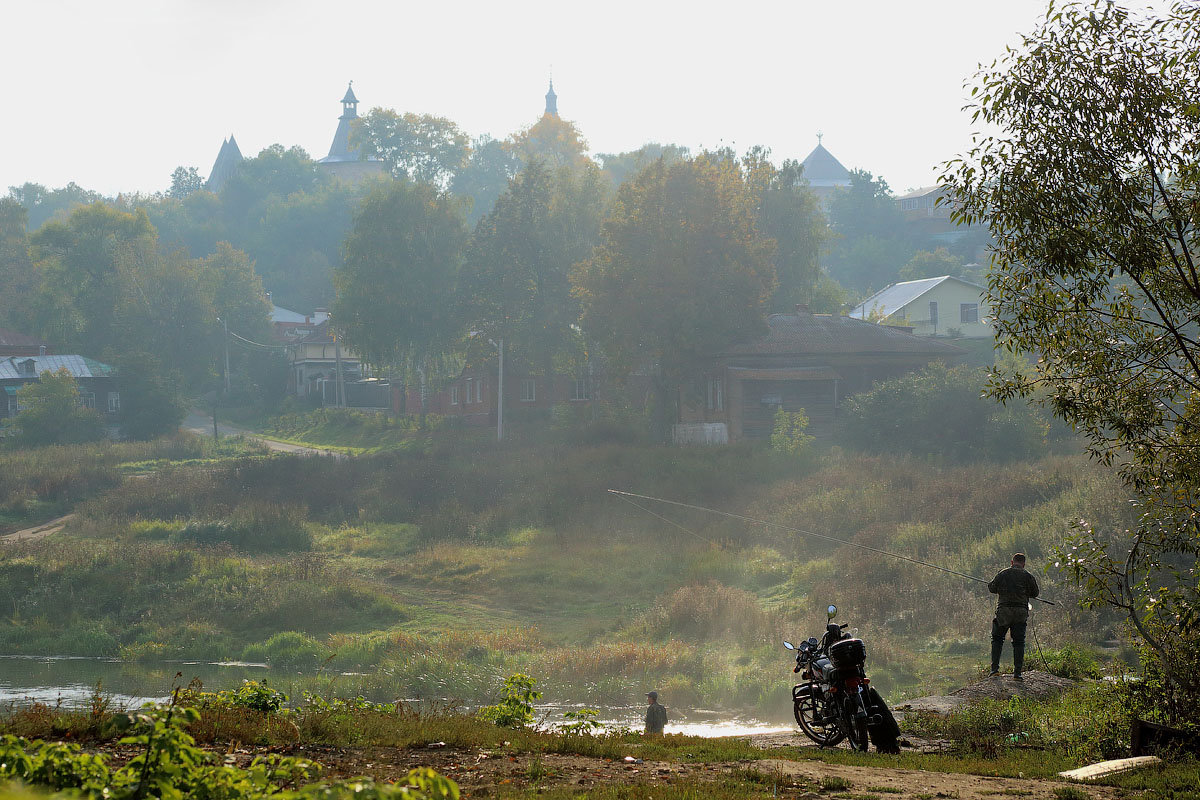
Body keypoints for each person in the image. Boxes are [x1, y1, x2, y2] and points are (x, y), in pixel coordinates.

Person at [988, 552, 1040, 681]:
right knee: (1018, 642)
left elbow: (992, 588)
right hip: (1020, 613)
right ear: (1023, 564)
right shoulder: (1028, 576)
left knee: (997, 639)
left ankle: (994, 670)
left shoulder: (1003, 573)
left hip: (1004, 611)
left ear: (1012, 562)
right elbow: (1035, 593)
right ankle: (1017, 674)